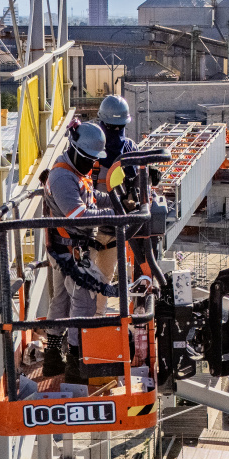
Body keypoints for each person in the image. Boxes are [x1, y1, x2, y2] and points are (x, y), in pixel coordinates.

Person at [41, 120, 127, 381]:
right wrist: (114, 214)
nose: (92, 165)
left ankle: (53, 359)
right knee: (85, 303)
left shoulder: (75, 171)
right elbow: (79, 214)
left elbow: (89, 197)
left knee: (63, 301)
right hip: (68, 252)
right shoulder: (62, 177)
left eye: (94, 160)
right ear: (75, 149)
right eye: (89, 159)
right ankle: (77, 365)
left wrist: (117, 200)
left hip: (65, 249)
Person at [90, 95, 138, 315]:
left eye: (119, 128)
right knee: (84, 282)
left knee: (102, 281)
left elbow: (136, 188)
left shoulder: (129, 150)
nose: (116, 133)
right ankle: (82, 327)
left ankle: (94, 324)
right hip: (90, 230)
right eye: (114, 127)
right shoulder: (88, 149)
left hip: (109, 230)